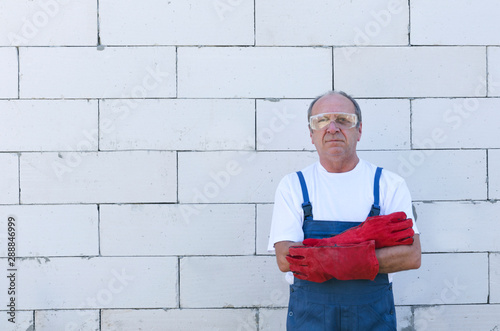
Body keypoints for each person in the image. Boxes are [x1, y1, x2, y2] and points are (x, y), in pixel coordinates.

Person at [268, 90, 421, 330]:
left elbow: (410, 256)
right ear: (311, 134)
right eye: (321, 120)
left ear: (359, 130)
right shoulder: (294, 186)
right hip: (310, 317)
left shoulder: (388, 185)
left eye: (343, 119)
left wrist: (318, 255)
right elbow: (286, 260)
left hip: (373, 317)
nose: (332, 128)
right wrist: (362, 241)